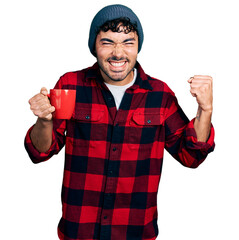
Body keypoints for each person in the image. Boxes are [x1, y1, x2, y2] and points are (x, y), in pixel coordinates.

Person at [25, 4, 215, 240]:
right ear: (94, 46)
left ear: (138, 47)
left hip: (135, 232)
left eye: (128, 42)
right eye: (107, 42)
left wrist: (205, 110)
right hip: (79, 232)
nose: (118, 52)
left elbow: (191, 156)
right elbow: (40, 152)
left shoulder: (160, 95)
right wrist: (43, 120)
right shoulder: (71, 84)